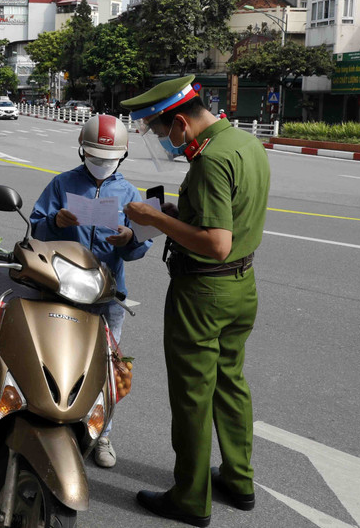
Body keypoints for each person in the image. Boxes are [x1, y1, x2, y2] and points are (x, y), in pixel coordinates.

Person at [121, 75, 270, 527]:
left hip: (203, 291)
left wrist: (154, 219)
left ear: (182, 123)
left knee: (192, 396)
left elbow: (215, 242)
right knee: (231, 383)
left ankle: (189, 497)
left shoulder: (209, 161)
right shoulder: (246, 144)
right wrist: (177, 215)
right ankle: (239, 480)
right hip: (242, 287)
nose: (165, 142)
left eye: (164, 132)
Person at [29, 114, 152, 469]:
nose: (101, 165)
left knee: (107, 369)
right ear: (82, 153)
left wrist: (130, 239)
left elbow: (139, 247)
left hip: (108, 296)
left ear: (123, 157)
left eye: (108, 159)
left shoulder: (128, 193)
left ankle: (103, 433)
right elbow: (36, 230)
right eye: (95, 157)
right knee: (56, 359)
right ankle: (53, 420)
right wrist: (56, 221)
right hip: (61, 291)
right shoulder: (62, 184)